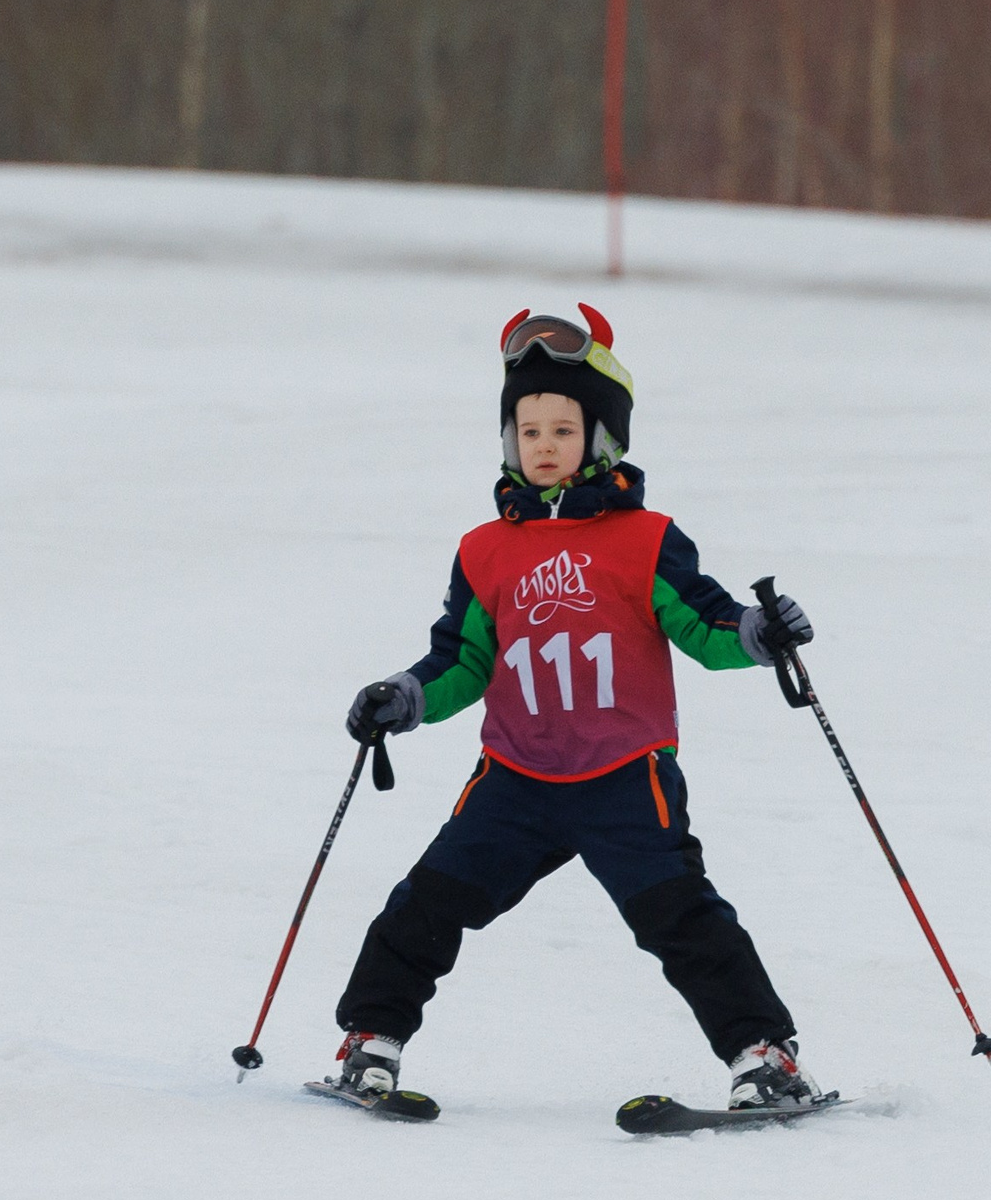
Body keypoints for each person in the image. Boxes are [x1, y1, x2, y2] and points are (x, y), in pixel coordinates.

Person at [330, 304, 822, 1113]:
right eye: (529, 431)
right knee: (428, 902)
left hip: (625, 777)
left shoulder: (646, 538)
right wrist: (404, 697)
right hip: (515, 778)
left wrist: (761, 633)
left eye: (564, 428)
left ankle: (765, 1056)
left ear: (602, 439)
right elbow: (462, 658)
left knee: (681, 918)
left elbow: (705, 624)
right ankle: (369, 1042)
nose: (546, 445)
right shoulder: (485, 551)